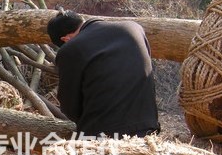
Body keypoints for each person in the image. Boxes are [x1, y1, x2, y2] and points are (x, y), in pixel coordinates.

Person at [46, 10, 160, 139]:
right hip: (147, 127)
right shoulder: (134, 28)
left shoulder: (71, 49)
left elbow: (70, 105)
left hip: (103, 135)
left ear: (66, 39)